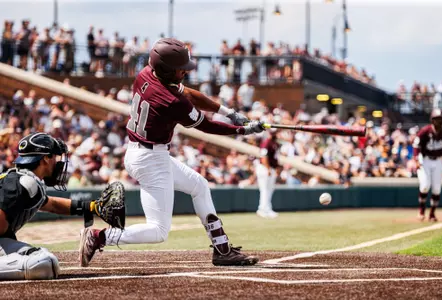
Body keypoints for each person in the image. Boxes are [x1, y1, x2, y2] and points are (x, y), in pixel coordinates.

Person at [79, 38, 265, 267]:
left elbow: (189, 93)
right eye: (180, 69)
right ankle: (99, 237)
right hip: (150, 159)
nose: (184, 72)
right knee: (158, 231)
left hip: (146, 153)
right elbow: (206, 126)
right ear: (167, 70)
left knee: (199, 186)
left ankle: (222, 250)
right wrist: (242, 129)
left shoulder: (147, 74)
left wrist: (228, 111)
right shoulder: (170, 101)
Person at [0, 133, 106, 280]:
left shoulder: (23, 180)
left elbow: (53, 205)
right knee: (43, 263)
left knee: (40, 257)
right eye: (55, 157)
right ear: (45, 158)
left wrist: (92, 207)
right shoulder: (25, 183)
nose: (57, 162)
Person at [413, 108, 442, 222]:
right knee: (425, 185)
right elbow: (416, 146)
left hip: (438, 160)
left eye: (440, 119)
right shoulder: (425, 131)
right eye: (436, 119)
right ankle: (421, 211)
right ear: (432, 120)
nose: (438, 122)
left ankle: (432, 214)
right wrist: (416, 160)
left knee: (437, 189)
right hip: (425, 160)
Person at [255, 129, 279, 218]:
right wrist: (268, 168)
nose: (275, 134)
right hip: (264, 168)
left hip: (270, 168)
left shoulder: (274, 143)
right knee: (264, 189)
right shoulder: (266, 143)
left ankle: (268, 209)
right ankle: (262, 209)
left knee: (270, 189)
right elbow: (263, 157)